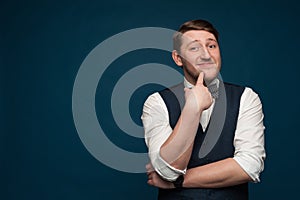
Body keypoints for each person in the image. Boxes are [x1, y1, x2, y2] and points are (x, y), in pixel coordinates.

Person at [141, 19, 265, 199]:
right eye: (194, 48)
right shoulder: (156, 102)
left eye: (212, 46)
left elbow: (250, 166)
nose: (206, 55)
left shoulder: (246, 97)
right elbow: (168, 170)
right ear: (177, 58)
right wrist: (193, 108)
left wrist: (178, 182)